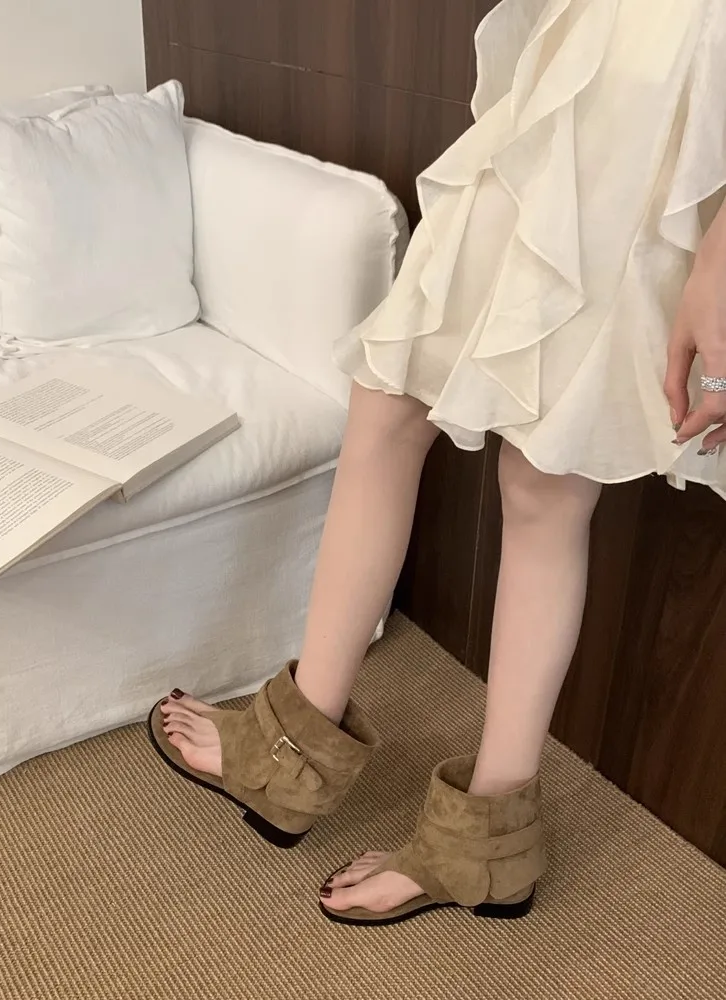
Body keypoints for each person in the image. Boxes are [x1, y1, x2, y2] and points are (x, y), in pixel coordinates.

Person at [148, 0, 726, 927]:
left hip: (669, 105)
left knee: (544, 479)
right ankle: (293, 750)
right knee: (387, 397)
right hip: (577, 69)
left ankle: (484, 840)